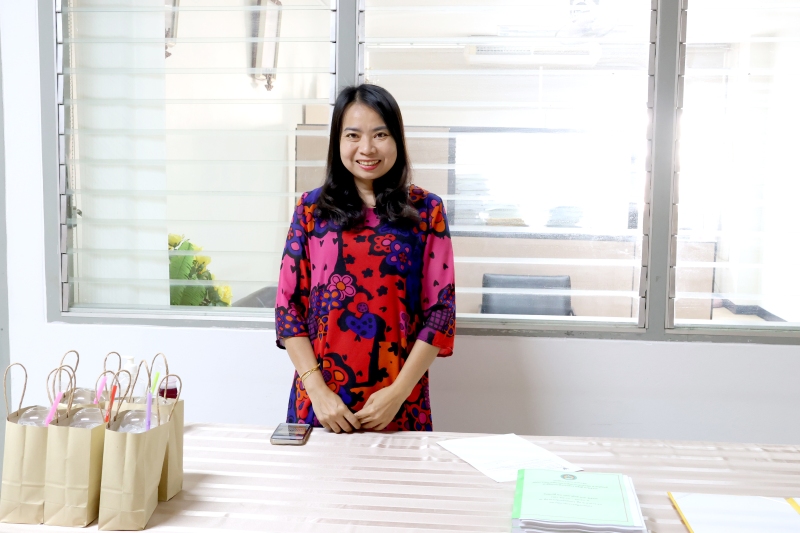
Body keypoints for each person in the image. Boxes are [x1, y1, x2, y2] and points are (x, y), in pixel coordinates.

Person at [275, 84, 455, 432]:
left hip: (399, 405)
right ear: (338, 142)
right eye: (353, 135)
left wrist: (398, 393)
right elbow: (288, 307)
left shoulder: (426, 210)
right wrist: (318, 393)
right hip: (321, 406)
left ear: (397, 139)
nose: (367, 148)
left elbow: (440, 312)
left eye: (380, 134)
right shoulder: (311, 210)